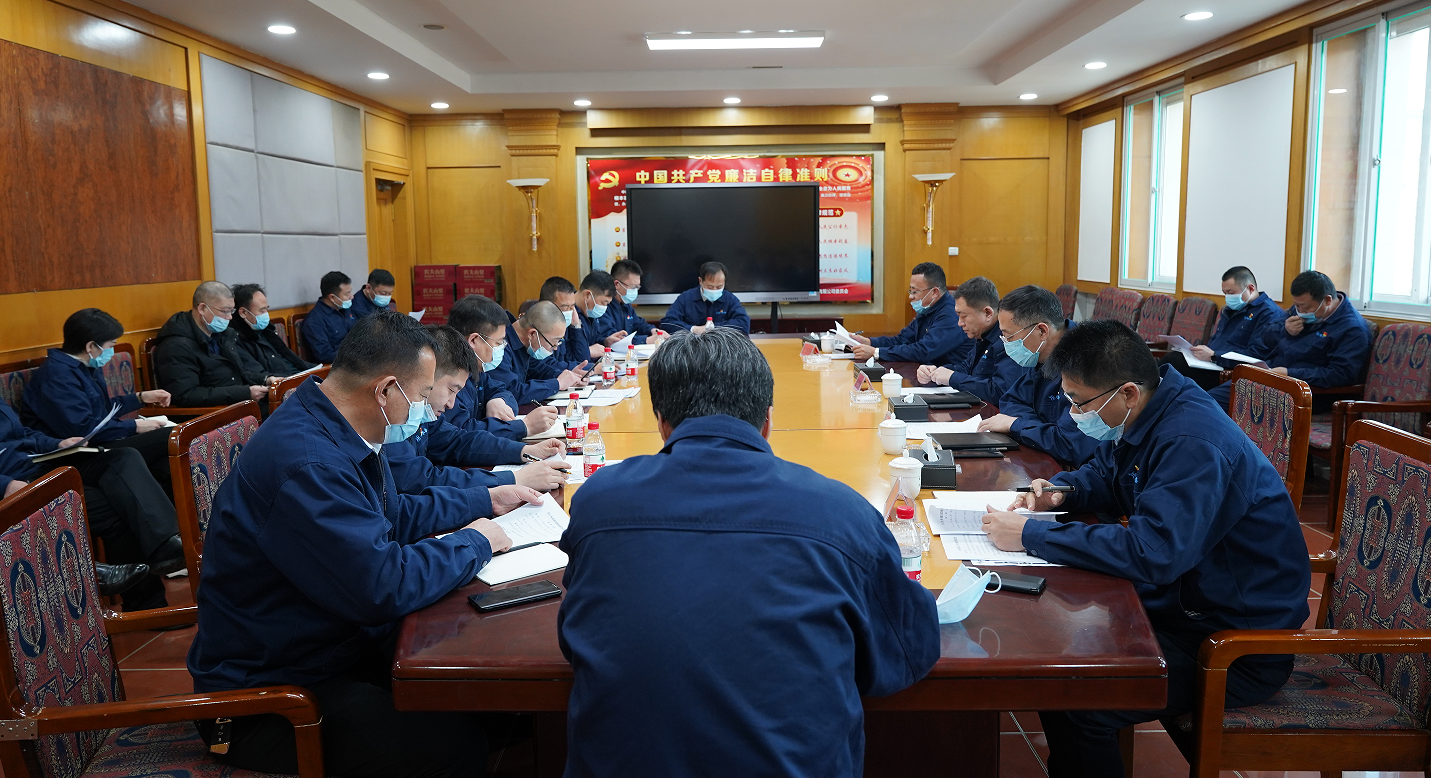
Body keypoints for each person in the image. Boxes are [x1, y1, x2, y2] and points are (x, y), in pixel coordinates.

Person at [558, 327, 939, 778]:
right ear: (768, 421)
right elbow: (907, 649)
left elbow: (577, 631)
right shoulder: (841, 512)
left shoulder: (597, 501)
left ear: (661, 423)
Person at [188, 311, 542, 778]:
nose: (426, 408)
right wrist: (475, 542)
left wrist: (485, 500)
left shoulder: (337, 427)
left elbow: (392, 514)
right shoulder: (308, 463)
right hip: (270, 697)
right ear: (386, 390)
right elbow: (382, 585)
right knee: (453, 745)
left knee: (496, 705)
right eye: (421, 395)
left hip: (330, 644)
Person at [980, 320, 1309, 777]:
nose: (1073, 413)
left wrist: (1030, 535)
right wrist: (1062, 492)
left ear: (1128, 393)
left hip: (1231, 645)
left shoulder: (1191, 441)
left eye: (1079, 402)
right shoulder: (1150, 409)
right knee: (1056, 659)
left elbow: (1153, 552)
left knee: (1076, 696)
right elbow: (1108, 473)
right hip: (1181, 606)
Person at [0, 396, 183, 609]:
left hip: (36, 463)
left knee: (122, 458)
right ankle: (147, 605)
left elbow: (21, 435)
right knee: (113, 506)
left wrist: (57, 443)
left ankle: (167, 544)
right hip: (14, 482)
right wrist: (5, 485)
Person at [385, 325, 566, 495]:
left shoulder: (424, 413)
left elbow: (459, 441)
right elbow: (421, 479)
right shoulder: (391, 424)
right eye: (451, 390)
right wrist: (514, 479)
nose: (451, 404)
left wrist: (525, 451)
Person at [24, 308, 176, 488]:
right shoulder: (56, 376)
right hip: (77, 453)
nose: (111, 352)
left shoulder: (84, 366)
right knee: (172, 436)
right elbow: (85, 429)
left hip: (101, 440)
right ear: (91, 346)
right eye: (110, 346)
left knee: (167, 465)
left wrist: (140, 398)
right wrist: (135, 426)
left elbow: (103, 410)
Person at [1207, 270, 1374, 412]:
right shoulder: (1300, 308)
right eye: (1296, 306)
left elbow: (1341, 375)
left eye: (1305, 308)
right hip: (1271, 376)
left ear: (1328, 300)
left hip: (1305, 393)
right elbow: (1266, 336)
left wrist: (1289, 373)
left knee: (1215, 408)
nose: (1300, 311)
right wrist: (1284, 329)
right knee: (1208, 401)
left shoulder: (1352, 329)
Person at [976, 286, 1098, 468]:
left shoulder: (1086, 361)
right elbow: (1011, 400)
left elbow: (1070, 445)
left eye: (1009, 337)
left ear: (1041, 331)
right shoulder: (1039, 353)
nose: (1006, 344)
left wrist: (1017, 425)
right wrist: (1036, 429)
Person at [442, 295, 560, 442]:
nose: (502, 348)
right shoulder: (448, 376)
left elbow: (503, 390)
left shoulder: (477, 368)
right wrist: (524, 426)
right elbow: (463, 433)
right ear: (473, 340)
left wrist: (498, 399)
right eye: (498, 343)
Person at [1162, 266, 1283, 390]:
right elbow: (1217, 340)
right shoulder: (1231, 309)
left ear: (1251, 288)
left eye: (1231, 293)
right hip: (1211, 364)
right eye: (1225, 293)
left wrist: (1215, 356)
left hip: (1229, 371)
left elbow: (1256, 356)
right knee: (1172, 361)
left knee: (1173, 363)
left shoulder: (1269, 313)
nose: (1227, 298)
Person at [153, 281, 270, 408]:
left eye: (231, 311)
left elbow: (238, 372)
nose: (230, 317)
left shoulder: (221, 335)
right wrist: (244, 393)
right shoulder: (176, 346)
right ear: (202, 309)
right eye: (224, 311)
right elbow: (186, 395)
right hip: (211, 413)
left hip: (237, 404)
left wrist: (266, 379)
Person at [914, 276, 1021, 402]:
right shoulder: (982, 335)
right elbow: (966, 369)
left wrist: (952, 377)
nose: (959, 323)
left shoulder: (1009, 341)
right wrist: (935, 373)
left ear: (987, 313)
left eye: (964, 316)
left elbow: (1000, 391)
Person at [851, 262, 970, 365]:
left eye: (915, 291)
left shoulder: (951, 315)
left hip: (950, 379)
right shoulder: (927, 309)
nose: (910, 297)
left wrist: (876, 352)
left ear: (934, 292)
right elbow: (902, 340)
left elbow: (924, 351)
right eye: (910, 291)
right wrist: (869, 342)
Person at [487, 301, 588, 406]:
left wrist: (569, 377)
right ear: (532, 334)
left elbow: (539, 370)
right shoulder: (499, 347)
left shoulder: (527, 345)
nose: (556, 348)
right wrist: (557, 384)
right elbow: (510, 392)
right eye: (554, 342)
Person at [232, 284, 316, 381]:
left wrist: (318, 369)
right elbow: (257, 374)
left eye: (267, 309)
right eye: (262, 311)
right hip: (284, 383)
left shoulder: (268, 331)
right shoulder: (236, 340)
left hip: (299, 376)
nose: (266, 315)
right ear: (243, 313)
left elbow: (296, 361)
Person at [659, 261, 751, 334]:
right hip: (691, 345)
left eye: (719, 287)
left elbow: (743, 324)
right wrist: (693, 329)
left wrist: (714, 328)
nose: (714, 290)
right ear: (700, 281)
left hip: (721, 345)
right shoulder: (686, 298)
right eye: (710, 287)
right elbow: (667, 323)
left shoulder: (730, 299)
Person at [599, 259, 670, 347]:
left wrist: (653, 331)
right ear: (616, 284)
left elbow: (639, 324)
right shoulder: (603, 306)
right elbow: (614, 339)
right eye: (633, 287)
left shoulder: (625, 305)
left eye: (637, 287)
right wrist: (647, 340)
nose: (635, 291)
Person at [301, 271, 358, 363]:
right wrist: (357, 354)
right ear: (332, 298)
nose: (352, 297)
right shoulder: (314, 321)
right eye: (347, 294)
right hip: (337, 365)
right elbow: (325, 355)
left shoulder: (345, 309)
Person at [538, 276, 592, 366]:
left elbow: (582, 360)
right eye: (565, 307)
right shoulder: (537, 326)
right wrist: (591, 368)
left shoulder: (566, 325)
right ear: (547, 305)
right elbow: (548, 366)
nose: (569, 312)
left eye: (572, 307)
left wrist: (576, 326)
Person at [573, 270, 623, 359]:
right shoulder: (567, 314)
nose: (604, 307)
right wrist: (588, 352)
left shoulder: (590, 312)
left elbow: (593, 341)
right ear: (588, 295)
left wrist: (605, 341)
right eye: (603, 303)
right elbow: (563, 356)